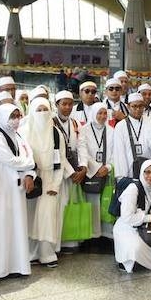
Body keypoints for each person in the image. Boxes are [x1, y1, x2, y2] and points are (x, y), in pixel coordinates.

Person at [0, 104, 36, 279]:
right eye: (12, 116)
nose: (16, 120)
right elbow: (10, 160)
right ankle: (0, 269)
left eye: (18, 115)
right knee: (2, 226)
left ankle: (17, 266)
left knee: (17, 226)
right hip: (2, 189)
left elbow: (30, 156)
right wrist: (29, 164)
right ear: (1, 117)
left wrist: (30, 173)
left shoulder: (19, 136)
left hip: (18, 189)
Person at [23, 98, 69, 268]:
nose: (42, 113)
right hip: (31, 179)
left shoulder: (56, 133)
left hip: (50, 180)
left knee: (46, 217)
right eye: (38, 110)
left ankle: (46, 252)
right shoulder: (24, 131)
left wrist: (55, 184)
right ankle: (30, 253)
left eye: (45, 109)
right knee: (30, 217)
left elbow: (61, 160)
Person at [53, 90, 91, 246]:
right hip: (59, 172)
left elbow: (82, 146)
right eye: (64, 104)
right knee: (58, 206)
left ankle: (70, 241)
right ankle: (57, 242)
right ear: (57, 105)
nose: (67, 107)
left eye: (70, 104)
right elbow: (57, 152)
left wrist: (83, 167)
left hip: (74, 170)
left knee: (70, 204)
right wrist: (71, 172)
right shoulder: (51, 123)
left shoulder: (75, 123)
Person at [113, 160, 151, 272]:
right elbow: (127, 217)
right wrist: (150, 217)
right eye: (147, 172)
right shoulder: (133, 189)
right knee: (136, 248)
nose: (150, 176)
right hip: (127, 226)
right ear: (142, 173)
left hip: (149, 227)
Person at [80, 102, 114, 236]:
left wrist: (108, 167)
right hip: (91, 172)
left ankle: (106, 233)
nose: (102, 116)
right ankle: (93, 234)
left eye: (105, 113)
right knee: (92, 202)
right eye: (99, 113)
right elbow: (82, 150)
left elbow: (115, 152)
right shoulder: (84, 130)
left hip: (106, 171)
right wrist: (96, 167)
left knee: (105, 201)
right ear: (93, 113)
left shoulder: (111, 130)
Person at [111, 93, 151, 180]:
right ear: (128, 107)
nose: (138, 109)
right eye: (134, 106)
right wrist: (122, 176)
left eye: (140, 106)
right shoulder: (121, 126)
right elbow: (119, 153)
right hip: (128, 172)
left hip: (148, 172)